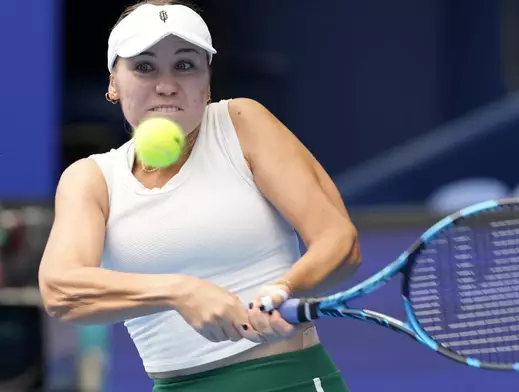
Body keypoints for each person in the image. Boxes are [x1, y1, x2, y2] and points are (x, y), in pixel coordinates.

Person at [37, 1, 362, 391]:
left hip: (287, 379)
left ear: (207, 83)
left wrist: (284, 288)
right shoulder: (90, 178)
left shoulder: (243, 123)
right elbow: (61, 290)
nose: (166, 83)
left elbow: (340, 243)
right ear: (113, 83)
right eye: (144, 66)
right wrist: (180, 291)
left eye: (185, 65)